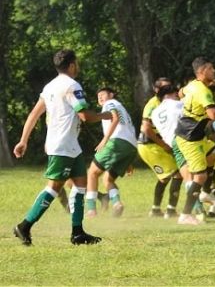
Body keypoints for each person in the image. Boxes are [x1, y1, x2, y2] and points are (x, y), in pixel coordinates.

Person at [12, 49, 111, 246]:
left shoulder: (50, 86)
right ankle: (24, 225)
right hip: (62, 145)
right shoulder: (72, 85)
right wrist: (105, 116)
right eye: (77, 63)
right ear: (72, 65)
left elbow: (33, 114)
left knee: (80, 185)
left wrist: (23, 140)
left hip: (69, 145)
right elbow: (84, 115)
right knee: (54, 187)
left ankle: (77, 232)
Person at [173, 57, 215, 225]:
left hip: (194, 134)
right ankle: (185, 214)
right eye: (211, 68)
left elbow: (180, 93)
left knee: (212, 156)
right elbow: (213, 115)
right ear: (202, 71)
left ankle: (204, 194)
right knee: (199, 176)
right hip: (189, 136)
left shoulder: (193, 85)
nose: (214, 71)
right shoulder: (202, 91)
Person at [86, 87, 138, 218]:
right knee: (107, 179)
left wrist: (105, 140)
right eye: (98, 96)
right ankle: (117, 204)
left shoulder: (110, 103)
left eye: (103, 94)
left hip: (117, 142)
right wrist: (128, 160)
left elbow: (114, 118)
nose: (100, 98)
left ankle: (91, 210)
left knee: (92, 173)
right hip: (130, 146)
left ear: (111, 94)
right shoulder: (122, 107)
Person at [138, 77, 183, 218]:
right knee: (179, 174)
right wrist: (164, 145)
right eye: (165, 88)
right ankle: (170, 210)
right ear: (157, 90)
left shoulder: (171, 103)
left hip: (157, 145)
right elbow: (146, 128)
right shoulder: (153, 104)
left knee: (165, 178)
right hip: (151, 145)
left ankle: (156, 210)